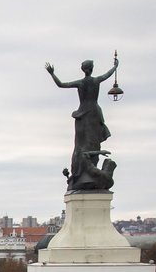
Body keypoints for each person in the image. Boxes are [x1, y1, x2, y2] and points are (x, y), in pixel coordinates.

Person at [45, 53, 119, 190]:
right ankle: (89, 170)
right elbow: (107, 75)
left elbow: (61, 84)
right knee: (93, 142)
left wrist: (52, 74)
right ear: (92, 68)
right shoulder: (96, 81)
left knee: (80, 144)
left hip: (82, 115)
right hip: (94, 114)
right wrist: (115, 67)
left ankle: (83, 172)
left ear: (83, 69)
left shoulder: (80, 83)